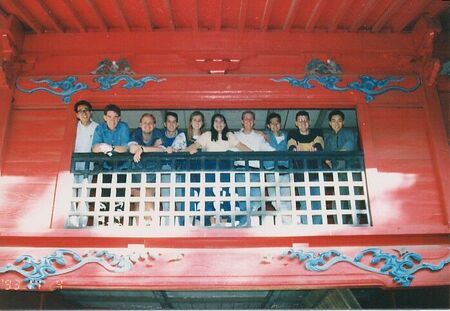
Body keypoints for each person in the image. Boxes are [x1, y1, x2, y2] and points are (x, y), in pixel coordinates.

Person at [185, 113, 251, 226]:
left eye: (221, 122)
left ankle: (224, 225)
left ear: (225, 124)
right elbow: (195, 145)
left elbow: (240, 146)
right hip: (209, 168)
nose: (219, 124)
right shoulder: (207, 135)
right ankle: (212, 224)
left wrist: (255, 154)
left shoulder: (229, 135)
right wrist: (183, 151)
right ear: (212, 123)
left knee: (226, 194)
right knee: (209, 194)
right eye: (216, 121)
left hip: (226, 167)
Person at [128, 113, 163, 225]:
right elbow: (132, 149)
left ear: (154, 125)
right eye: (145, 123)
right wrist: (150, 148)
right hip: (137, 172)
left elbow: (161, 150)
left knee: (148, 197)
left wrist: (142, 149)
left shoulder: (158, 133)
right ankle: (139, 229)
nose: (147, 125)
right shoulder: (136, 133)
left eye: (150, 123)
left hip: (152, 172)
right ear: (140, 124)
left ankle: (150, 226)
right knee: (138, 199)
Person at [69, 100, 98, 228]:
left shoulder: (97, 127)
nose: (83, 113)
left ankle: (82, 224)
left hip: (88, 164)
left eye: (86, 110)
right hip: (72, 164)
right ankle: (71, 223)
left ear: (91, 112)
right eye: (80, 111)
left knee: (84, 192)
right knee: (71, 192)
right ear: (77, 115)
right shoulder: (73, 127)